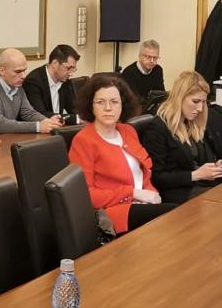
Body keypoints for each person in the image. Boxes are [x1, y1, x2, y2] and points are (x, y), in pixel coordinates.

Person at [68, 73, 176, 234]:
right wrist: (133, 193)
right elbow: (85, 195)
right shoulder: (83, 140)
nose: (108, 108)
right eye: (100, 102)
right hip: (112, 213)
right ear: (91, 106)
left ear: (123, 105)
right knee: (175, 217)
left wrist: (151, 193)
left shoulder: (128, 131)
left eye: (114, 102)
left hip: (142, 204)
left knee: (182, 217)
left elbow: (144, 173)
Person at [141, 71, 222, 205]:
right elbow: (156, 177)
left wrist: (215, 167)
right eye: (195, 101)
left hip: (199, 186)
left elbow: (197, 163)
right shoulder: (158, 128)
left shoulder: (191, 123)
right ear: (180, 98)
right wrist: (195, 175)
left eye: (203, 102)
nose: (200, 108)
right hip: (177, 193)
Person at [0, 48, 63, 134]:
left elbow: (28, 113)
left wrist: (48, 122)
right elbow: (0, 125)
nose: (23, 76)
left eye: (24, 70)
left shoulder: (17, 86)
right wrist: (38, 126)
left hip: (8, 138)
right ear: (2, 71)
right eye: (18, 72)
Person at [22, 44, 80, 125]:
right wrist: (77, 119)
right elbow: (40, 115)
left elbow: (74, 109)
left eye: (73, 69)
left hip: (58, 128)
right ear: (54, 63)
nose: (71, 73)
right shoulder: (33, 82)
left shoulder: (65, 80)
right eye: (68, 68)